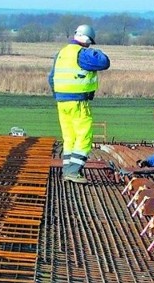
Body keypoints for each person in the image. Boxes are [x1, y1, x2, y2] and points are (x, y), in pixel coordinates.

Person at [48, 24, 111, 184]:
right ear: (86, 39)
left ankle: (67, 169)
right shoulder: (82, 54)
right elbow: (104, 62)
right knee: (84, 136)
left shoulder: (61, 53)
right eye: (90, 43)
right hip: (78, 102)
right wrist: (95, 51)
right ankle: (73, 171)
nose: (90, 46)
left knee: (69, 137)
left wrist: (58, 95)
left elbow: (51, 78)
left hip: (61, 102)